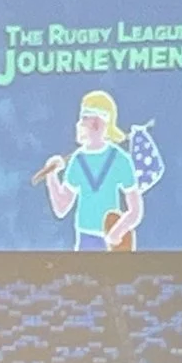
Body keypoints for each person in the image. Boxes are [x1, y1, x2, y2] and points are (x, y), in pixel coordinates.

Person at [40, 89, 144, 250]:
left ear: (97, 123)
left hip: (112, 241)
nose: (79, 125)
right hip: (84, 239)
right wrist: (51, 177)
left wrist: (117, 232)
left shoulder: (120, 159)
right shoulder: (77, 160)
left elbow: (135, 210)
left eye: (84, 119)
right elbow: (61, 208)